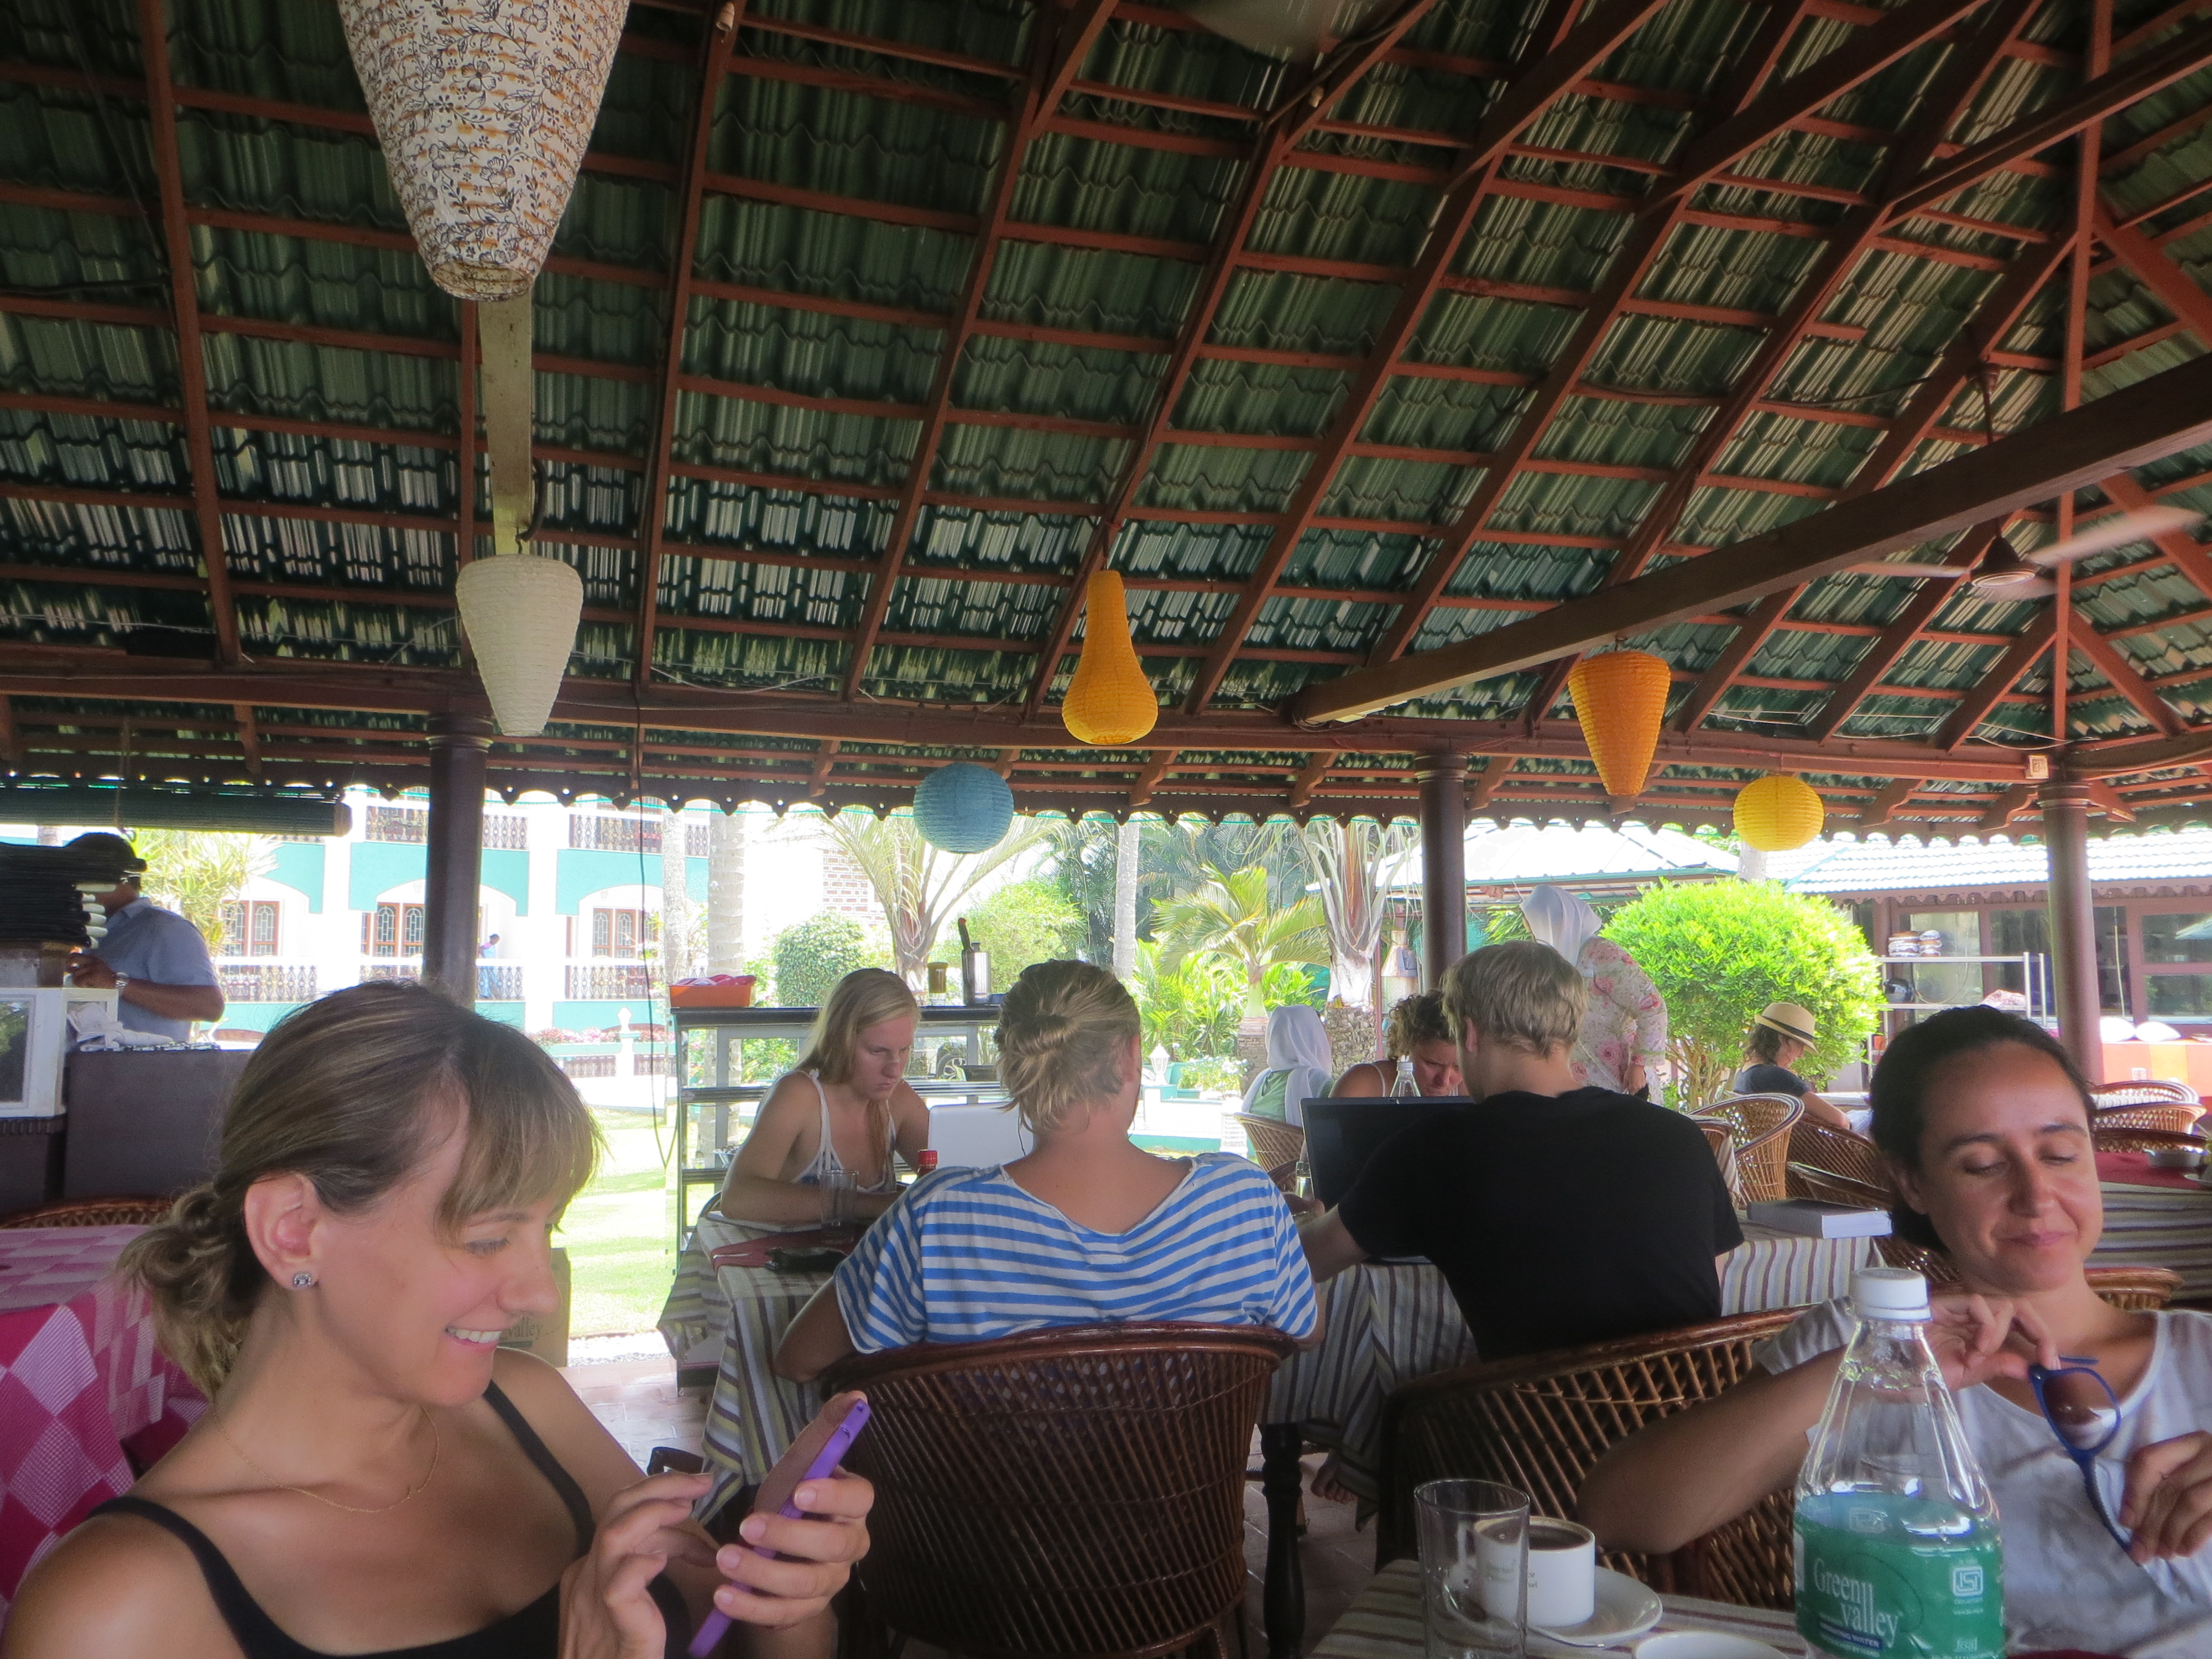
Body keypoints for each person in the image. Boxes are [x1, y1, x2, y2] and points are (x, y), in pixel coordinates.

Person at [3, 980, 871, 1659]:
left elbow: (728, 1635)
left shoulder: (526, 1408)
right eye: (488, 1238)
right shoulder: (118, 1608)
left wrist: (784, 1596)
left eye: (546, 1230)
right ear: (294, 1230)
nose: (538, 1293)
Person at [1579, 1005, 2212, 1656]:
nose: (2035, 1194)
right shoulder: (1866, 1344)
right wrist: (1869, 1365)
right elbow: (1625, 1514)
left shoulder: (2199, 1354)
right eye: (1981, 1164)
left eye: (2059, 1154)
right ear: (1913, 1183)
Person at [774, 959, 1318, 1381]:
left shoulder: (936, 1220)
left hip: (993, 1499)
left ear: (1013, 1070)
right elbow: (1307, 1331)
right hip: (1190, 1497)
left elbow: (796, 1360)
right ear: (1131, 1057)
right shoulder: (1246, 1202)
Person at [1298, 941, 1739, 1361]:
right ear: (1571, 1031)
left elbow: (1305, 1262)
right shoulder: (1680, 1136)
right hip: (1701, 1404)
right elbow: (1706, 1302)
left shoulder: (1436, 1150)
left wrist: (1303, 1218)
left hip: (1537, 1414)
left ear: (1470, 1033)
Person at [718, 969, 930, 1227]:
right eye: (878, 1051)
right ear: (840, 1041)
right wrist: (875, 1205)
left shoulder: (899, 1099)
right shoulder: (800, 1095)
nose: (894, 1070)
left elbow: (957, 1177)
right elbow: (737, 1198)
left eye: (904, 1050)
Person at [62, 830, 224, 1041]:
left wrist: (116, 983)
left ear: (118, 878)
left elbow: (209, 1007)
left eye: (79, 879)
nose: (73, 889)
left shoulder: (165, 928)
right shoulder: (97, 929)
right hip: (92, 1058)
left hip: (144, 1062)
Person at [1520, 885, 1664, 1095]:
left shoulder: (1603, 953)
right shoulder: (1552, 963)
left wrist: (1638, 1065)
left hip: (1621, 1082)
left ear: (1558, 920)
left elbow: (1651, 1007)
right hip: (1575, 1085)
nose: (1536, 935)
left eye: (1538, 926)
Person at [1734, 999, 1851, 1129]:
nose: (1801, 1054)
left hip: (1775, 1141)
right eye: (1800, 1045)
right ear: (1782, 1040)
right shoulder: (1775, 1076)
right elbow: (1840, 1121)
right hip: (1808, 1143)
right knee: (1864, 1116)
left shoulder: (1745, 1073)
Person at [1333, 992, 1463, 1097]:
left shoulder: (1469, 1089)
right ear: (1405, 1047)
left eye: (1459, 1067)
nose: (1444, 1081)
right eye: (1432, 1064)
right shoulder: (1364, 1085)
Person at [1240, 1003, 1335, 1125]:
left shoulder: (1263, 1080)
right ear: (1311, 1036)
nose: (1328, 1037)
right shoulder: (1318, 1082)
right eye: (1322, 1030)